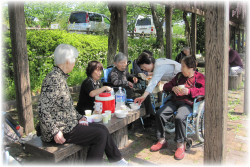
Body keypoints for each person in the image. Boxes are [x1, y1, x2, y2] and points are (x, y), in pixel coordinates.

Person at [37, 44, 136, 167]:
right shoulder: (54, 79)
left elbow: (66, 107)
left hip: (68, 124)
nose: (74, 64)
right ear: (68, 61)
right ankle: (119, 163)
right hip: (61, 130)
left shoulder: (60, 77)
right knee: (100, 135)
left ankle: (120, 162)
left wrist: (79, 117)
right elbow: (42, 109)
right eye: (74, 61)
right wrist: (54, 132)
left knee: (102, 129)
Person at [150, 55, 205, 160]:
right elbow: (166, 86)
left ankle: (180, 145)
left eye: (183, 66)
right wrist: (173, 87)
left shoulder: (199, 77)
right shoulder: (179, 76)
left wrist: (189, 91)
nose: (181, 68)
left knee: (180, 117)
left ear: (191, 67)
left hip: (188, 103)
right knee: (160, 114)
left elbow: (204, 90)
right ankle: (161, 140)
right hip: (175, 101)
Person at [108, 52, 155, 121]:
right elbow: (115, 82)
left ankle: (149, 114)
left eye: (125, 63)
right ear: (115, 63)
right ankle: (146, 117)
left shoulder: (124, 71)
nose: (123, 65)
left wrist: (133, 78)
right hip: (121, 93)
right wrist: (127, 83)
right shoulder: (114, 72)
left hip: (130, 90)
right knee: (141, 96)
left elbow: (129, 75)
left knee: (145, 93)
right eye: (121, 63)